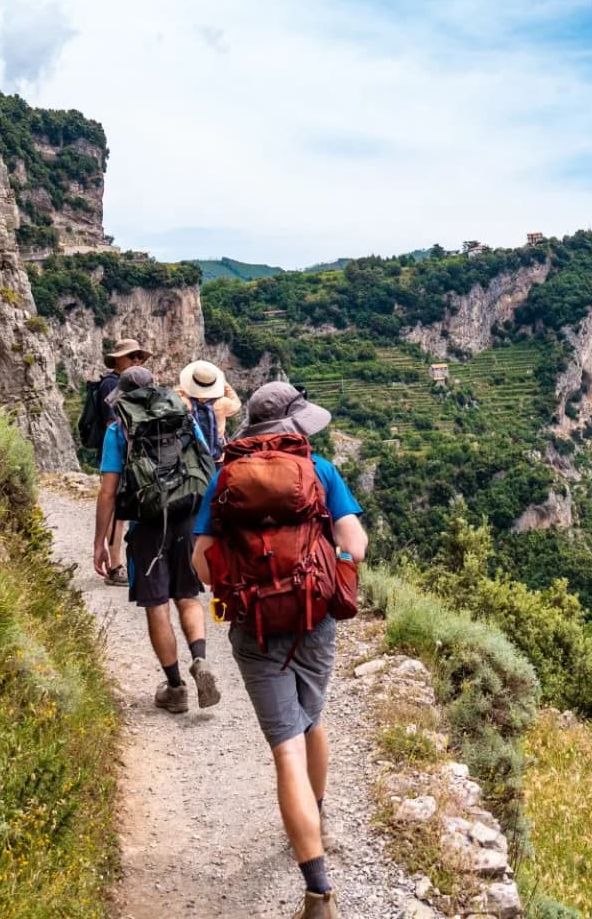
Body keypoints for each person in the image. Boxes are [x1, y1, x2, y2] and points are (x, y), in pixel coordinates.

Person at [190, 383, 367, 919]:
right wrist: (318, 567)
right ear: (295, 426)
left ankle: (318, 895)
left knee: (284, 747)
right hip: (314, 620)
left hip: (255, 629)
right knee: (312, 721)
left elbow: (201, 562)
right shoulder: (321, 471)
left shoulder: (225, 478)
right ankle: (315, 816)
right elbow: (355, 545)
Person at [93, 365, 221, 714]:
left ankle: (176, 687)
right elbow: (205, 463)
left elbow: (108, 492)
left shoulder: (119, 428)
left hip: (147, 522)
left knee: (157, 605)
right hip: (187, 515)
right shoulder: (182, 413)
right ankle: (200, 660)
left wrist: (100, 543)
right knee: (188, 595)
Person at [94, 338, 152, 585]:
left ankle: (120, 563)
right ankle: (116, 565)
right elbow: (112, 423)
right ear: (119, 359)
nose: (137, 360)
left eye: (139, 357)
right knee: (118, 513)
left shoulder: (120, 385)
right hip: (120, 457)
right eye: (133, 357)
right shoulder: (111, 385)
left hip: (126, 457)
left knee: (121, 512)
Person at [175, 359, 242, 458]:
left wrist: (185, 386)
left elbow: (171, 396)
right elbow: (237, 404)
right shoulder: (223, 403)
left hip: (192, 456)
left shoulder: (184, 402)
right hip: (216, 456)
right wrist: (225, 385)